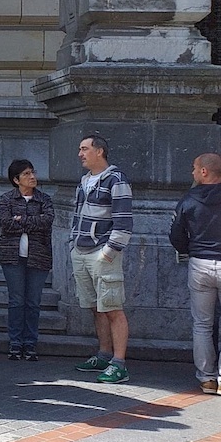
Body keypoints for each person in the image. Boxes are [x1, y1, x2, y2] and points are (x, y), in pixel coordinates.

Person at [170, 152, 221, 397]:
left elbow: (176, 234)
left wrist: (189, 250)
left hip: (199, 262)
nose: (191, 172)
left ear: (204, 172)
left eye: (194, 167)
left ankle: (207, 378)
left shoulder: (188, 199)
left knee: (202, 324)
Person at [70, 134, 133, 384]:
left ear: (100, 151)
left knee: (113, 308)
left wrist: (108, 253)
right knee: (96, 307)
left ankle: (119, 364)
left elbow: (124, 221)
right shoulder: (85, 180)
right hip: (82, 251)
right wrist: (74, 245)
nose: (80, 154)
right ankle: (104, 355)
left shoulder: (116, 180)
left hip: (101, 253)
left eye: (84, 148)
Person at [0, 159, 54, 362]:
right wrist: (30, 222)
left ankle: (30, 343)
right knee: (16, 301)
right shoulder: (6, 199)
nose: (32, 177)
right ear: (16, 179)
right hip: (12, 256)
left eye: (32, 172)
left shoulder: (44, 199)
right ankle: (15, 343)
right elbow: (6, 224)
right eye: (26, 174)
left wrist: (21, 221)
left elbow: (47, 221)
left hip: (38, 256)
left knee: (33, 302)